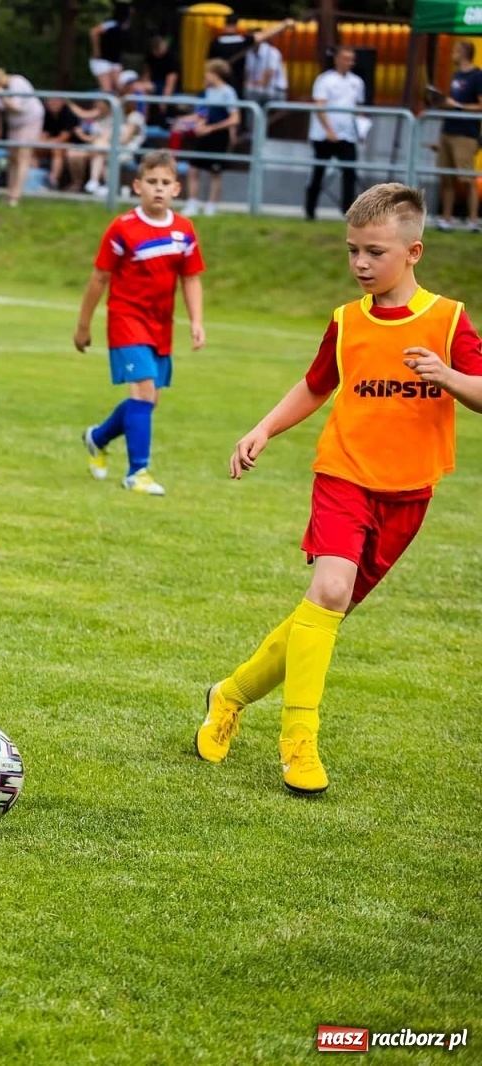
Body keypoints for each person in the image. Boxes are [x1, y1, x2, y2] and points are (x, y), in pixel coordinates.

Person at [199, 183, 482, 795]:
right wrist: (264, 428)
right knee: (328, 589)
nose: (359, 264)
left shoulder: (449, 319)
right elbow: (315, 385)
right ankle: (299, 744)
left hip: (409, 494)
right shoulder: (346, 321)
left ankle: (229, 695)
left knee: (323, 616)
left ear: (414, 252)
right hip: (343, 476)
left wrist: (449, 376)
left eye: (373, 252)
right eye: (352, 250)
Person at [75, 150, 206, 496]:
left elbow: (191, 279)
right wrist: (84, 326)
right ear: (137, 186)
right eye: (151, 182)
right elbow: (99, 278)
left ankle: (97, 437)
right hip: (126, 319)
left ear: (176, 188)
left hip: (161, 325)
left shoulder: (184, 230)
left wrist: (196, 321)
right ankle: (138, 472)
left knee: (150, 401)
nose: (158, 189)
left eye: (165, 183)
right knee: (144, 392)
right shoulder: (123, 229)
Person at [305, 45, 365, 222]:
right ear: (337, 59)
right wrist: (328, 129)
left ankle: (349, 212)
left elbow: (358, 107)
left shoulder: (357, 82)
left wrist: (361, 128)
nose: (349, 63)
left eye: (351, 59)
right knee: (318, 172)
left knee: (349, 173)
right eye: (346, 58)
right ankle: (310, 210)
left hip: (347, 135)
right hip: (324, 136)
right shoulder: (325, 80)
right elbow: (320, 105)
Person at [434, 40, 482, 233]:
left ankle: (473, 220)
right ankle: (446, 219)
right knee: (447, 177)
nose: (453, 53)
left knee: (467, 179)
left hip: (465, 133)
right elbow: (454, 101)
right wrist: (443, 103)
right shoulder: (456, 75)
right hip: (448, 129)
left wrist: (458, 106)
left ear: (464, 53)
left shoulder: (477, 75)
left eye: (455, 50)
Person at [185, 58, 239, 216]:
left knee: (215, 173)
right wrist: (192, 122)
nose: (206, 76)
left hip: (218, 137)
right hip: (203, 136)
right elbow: (201, 113)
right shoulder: (205, 92)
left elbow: (235, 118)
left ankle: (211, 205)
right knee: (193, 169)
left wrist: (212, 128)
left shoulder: (228, 92)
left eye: (208, 73)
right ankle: (192, 203)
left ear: (216, 74)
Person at [0, 67, 43, 207]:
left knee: (22, 157)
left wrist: (2, 96)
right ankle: (9, 192)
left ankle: (16, 196)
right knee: (12, 157)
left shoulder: (17, 82)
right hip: (14, 124)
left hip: (29, 120)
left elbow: (17, 108)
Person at [206, 13, 294, 101]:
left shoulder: (215, 42)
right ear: (236, 25)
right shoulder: (242, 40)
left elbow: (209, 65)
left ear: (225, 24)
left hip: (218, 85)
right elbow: (264, 36)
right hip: (237, 86)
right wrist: (284, 24)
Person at [88, 2, 131, 94]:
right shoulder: (111, 24)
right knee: (107, 89)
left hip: (115, 60)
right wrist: (96, 50)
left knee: (119, 87)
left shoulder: (125, 26)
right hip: (103, 59)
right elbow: (93, 32)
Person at [245, 35, 288, 106]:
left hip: (276, 91)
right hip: (257, 89)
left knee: (249, 93)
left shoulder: (271, 52)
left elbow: (265, 80)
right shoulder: (249, 53)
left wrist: (251, 83)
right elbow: (246, 76)